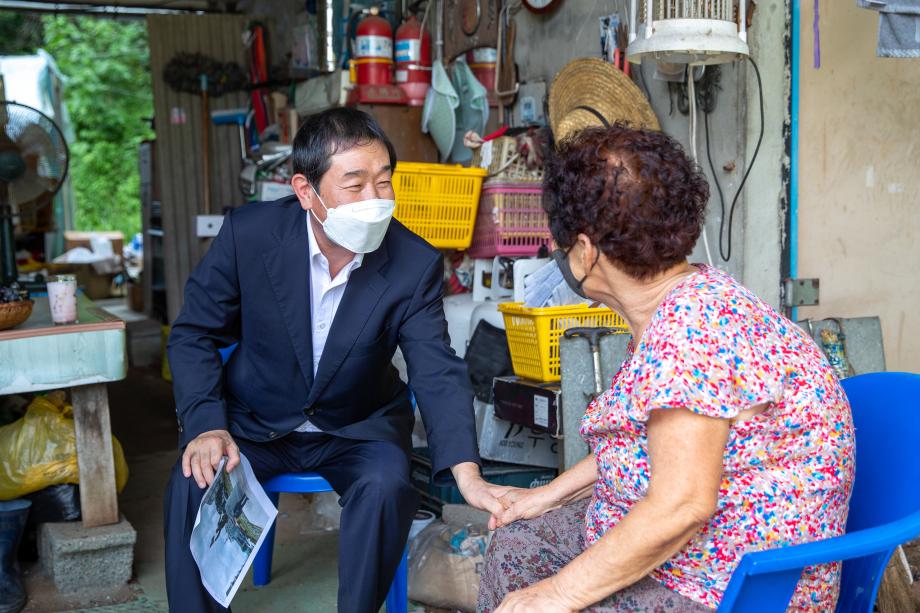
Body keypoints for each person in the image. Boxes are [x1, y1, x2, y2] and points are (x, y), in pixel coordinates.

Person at [478, 125, 855, 612]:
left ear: (586, 252)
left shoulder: (691, 333)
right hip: (691, 554)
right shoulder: (689, 296)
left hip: (731, 587)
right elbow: (643, 442)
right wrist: (547, 496)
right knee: (516, 545)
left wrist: (557, 594)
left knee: (544, 597)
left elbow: (682, 505)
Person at [164, 107, 505, 613]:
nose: (374, 199)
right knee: (195, 479)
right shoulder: (249, 235)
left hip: (357, 425)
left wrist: (466, 470)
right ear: (306, 191)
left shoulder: (413, 263)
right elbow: (194, 333)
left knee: (387, 486)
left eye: (384, 182)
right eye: (354, 184)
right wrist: (206, 425)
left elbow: (435, 366)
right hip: (254, 422)